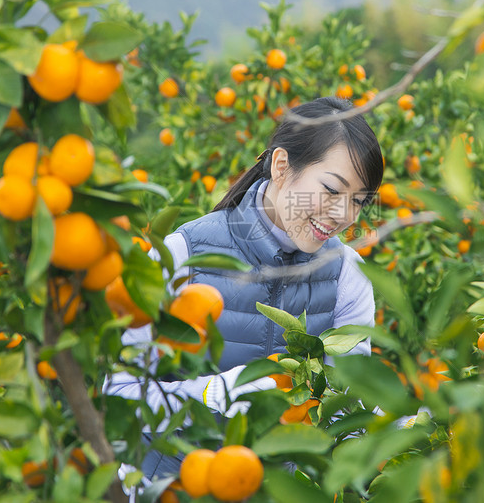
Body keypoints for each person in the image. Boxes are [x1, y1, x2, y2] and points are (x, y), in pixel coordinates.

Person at [104, 96, 384, 483]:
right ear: (282, 166)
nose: (344, 215)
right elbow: (115, 399)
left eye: (359, 201)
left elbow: (345, 409)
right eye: (332, 191)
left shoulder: (347, 275)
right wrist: (210, 394)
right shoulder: (183, 255)